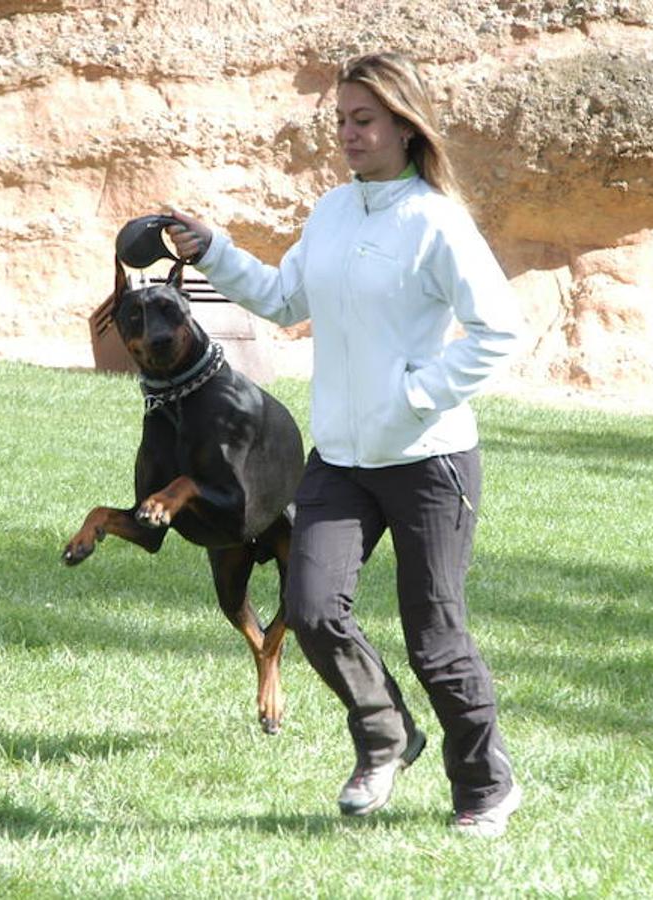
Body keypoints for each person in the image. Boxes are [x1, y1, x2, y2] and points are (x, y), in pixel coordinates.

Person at [163, 51, 524, 836]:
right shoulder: (331, 212)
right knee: (310, 607)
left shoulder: (436, 220)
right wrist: (212, 249)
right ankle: (385, 735)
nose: (349, 136)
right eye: (340, 122)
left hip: (429, 460)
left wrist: (414, 395)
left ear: (403, 124)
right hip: (341, 461)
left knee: (436, 641)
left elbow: (499, 332)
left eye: (364, 121)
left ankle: (484, 788)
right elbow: (284, 297)